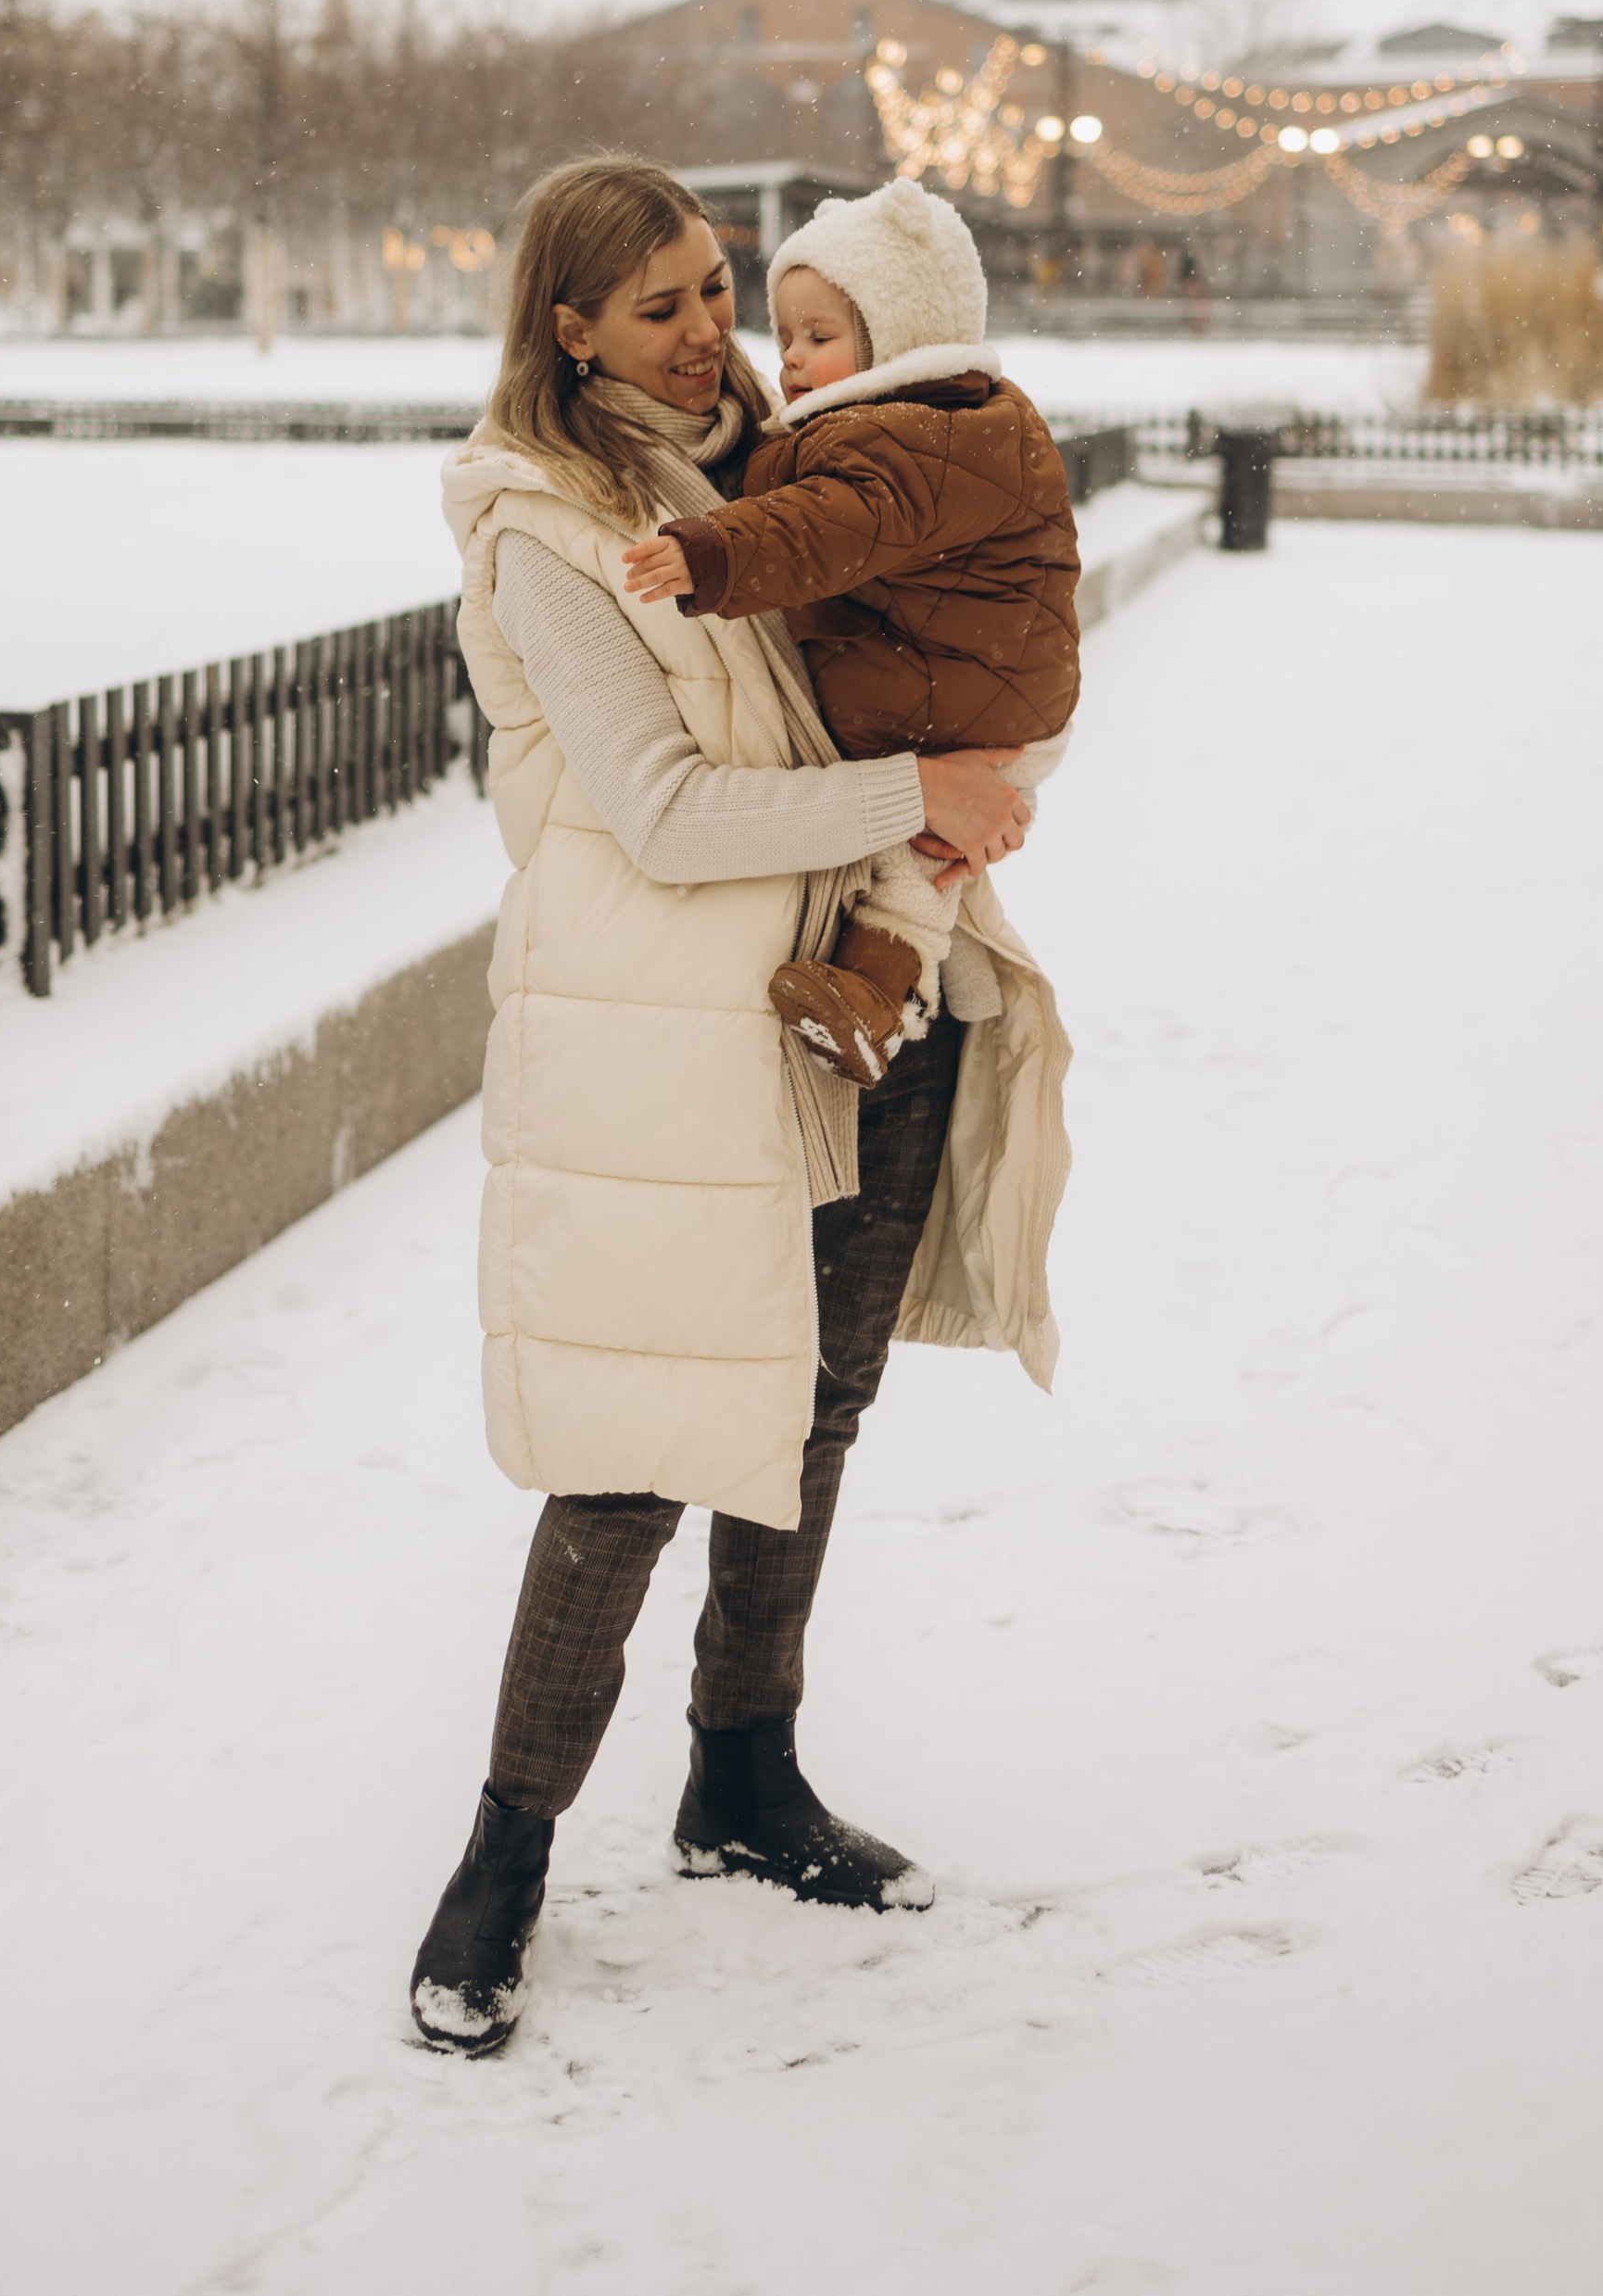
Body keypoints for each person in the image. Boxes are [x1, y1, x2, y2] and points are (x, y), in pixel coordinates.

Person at [411, 155, 1073, 2058]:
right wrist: (920, 796)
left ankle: (741, 1771)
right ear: (569, 332)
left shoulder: (800, 444)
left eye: (716, 288)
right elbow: (664, 813)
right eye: (661, 309)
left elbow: (941, 627)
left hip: (864, 1006)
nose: (710, 334)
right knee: (631, 1446)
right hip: (667, 1032)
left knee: (811, 1406)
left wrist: (950, 784)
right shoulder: (545, 525)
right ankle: (506, 1844)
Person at [621, 176, 1080, 1087]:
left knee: (908, 868)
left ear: (899, 337)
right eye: (785, 334)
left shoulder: (911, 442)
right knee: (917, 864)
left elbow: (828, 527)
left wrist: (714, 556)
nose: (788, 358)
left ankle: (875, 1004)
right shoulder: (928, 424)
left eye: (819, 338)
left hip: (968, 703)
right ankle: (896, 994)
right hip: (975, 685)